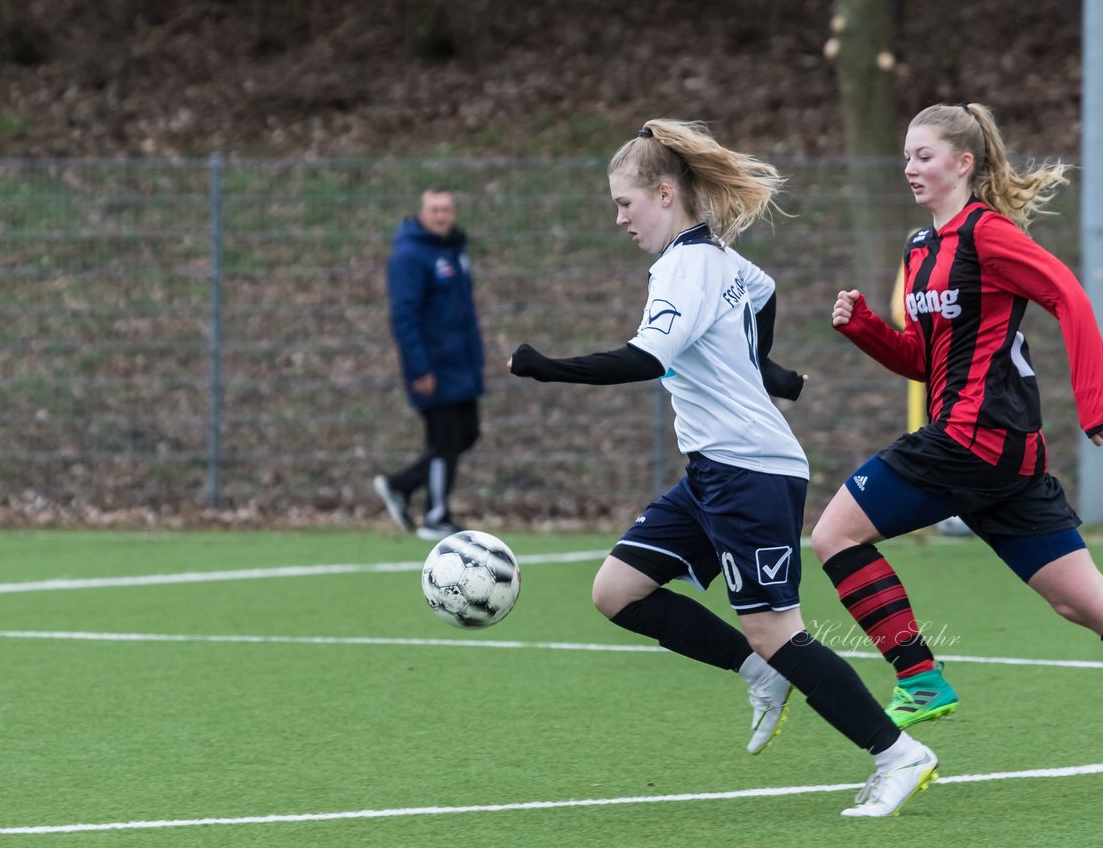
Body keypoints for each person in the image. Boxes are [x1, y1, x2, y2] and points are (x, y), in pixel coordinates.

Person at [509, 119, 938, 818]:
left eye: (625, 202)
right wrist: (759, 367)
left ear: (665, 192)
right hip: (714, 469)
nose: (619, 218)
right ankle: (756, 671)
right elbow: (763, 292)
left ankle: (898, 754)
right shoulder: (720, 258)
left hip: (751, 472)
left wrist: (547, 368)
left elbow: (647, 358)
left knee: (778, 629)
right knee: (617, 590)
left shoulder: (685, 266)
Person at [812, 102, 1103, 729]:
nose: (909, 167)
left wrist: (1097, 403)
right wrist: (865, 328)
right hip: (995, 452)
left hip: (971, 438)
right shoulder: (918, 250)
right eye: (906, 155)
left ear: (963, 163)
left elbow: (1066, 294)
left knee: (833, 536)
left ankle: (919, 678)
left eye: (924, 156)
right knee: (1087, 603)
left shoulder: (986, 233)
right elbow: (927, 362)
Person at [373, 188, 485, 541]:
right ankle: (437, 515)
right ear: (421, 213)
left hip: (461, 365)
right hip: (434, 368)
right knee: (444, 440)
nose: (441, 215)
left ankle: (400, 485)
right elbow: (403, 317)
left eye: (447, 209)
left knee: (467, 434)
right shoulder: (409, 256)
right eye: (434, 209)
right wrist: (419, 368)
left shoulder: (454, 249)